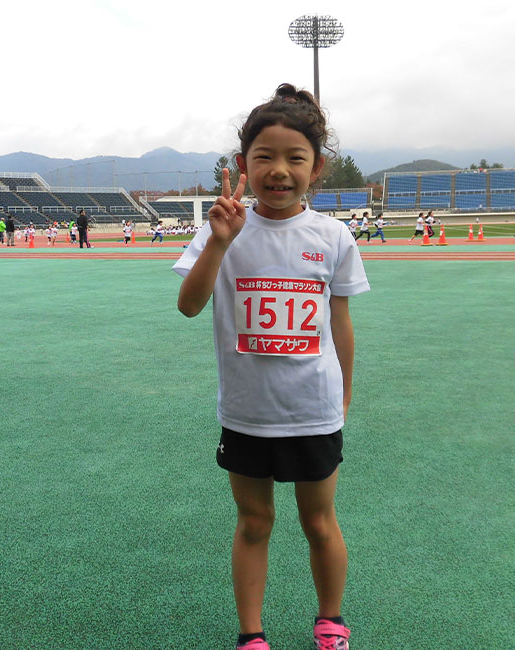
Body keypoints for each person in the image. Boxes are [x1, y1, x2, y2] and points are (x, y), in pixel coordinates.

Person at [173, 83, 368, 650]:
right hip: (247, 412)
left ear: (317, 167)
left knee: (318, 522)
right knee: (254, 522)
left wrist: (345, 395)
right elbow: (189, 305)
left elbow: (341, 326)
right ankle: (252, 634)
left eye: (295, 158)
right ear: (242, 165)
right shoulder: (222, 232)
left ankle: (330, 622)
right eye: (264, 156)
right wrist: (218, 242)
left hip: (313, 408)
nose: (279, 170)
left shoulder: (333, 236)